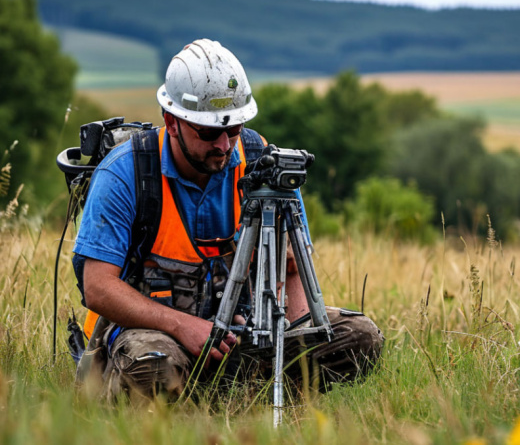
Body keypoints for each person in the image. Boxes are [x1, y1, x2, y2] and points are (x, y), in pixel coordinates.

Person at [73, 39, 383, 402]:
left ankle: (258, 402)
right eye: (207, 132)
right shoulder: (126, 172)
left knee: (361, 336)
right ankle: (167, 404)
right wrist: (183, 326)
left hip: (244, 337)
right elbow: (97, 287)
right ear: (171, 121)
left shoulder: (263, 164)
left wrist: (297, 343)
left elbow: (293, 267)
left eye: (233, 129)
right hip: (154, 336)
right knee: (153, 366)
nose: (223, 144)